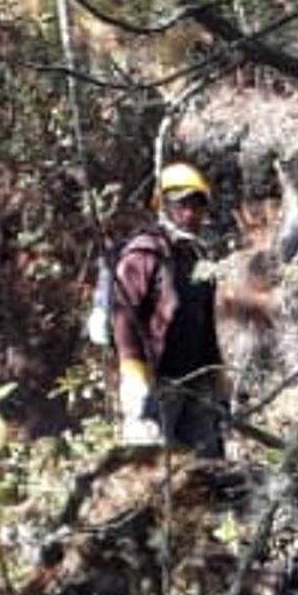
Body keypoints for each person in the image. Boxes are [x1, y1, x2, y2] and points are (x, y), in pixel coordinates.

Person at [110, 160, 229, 459]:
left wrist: (217, 375)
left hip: (196, 380)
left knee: (207, 468)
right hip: (153, 380)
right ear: (162, 208)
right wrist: (135, 372)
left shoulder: (197, 258)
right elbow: (123, 315)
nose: (190, 214)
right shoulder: (143, 253)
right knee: (150, 471)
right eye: (181, 206)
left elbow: (205, 323)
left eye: (197, 206)